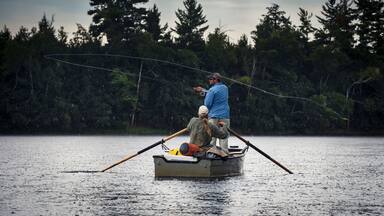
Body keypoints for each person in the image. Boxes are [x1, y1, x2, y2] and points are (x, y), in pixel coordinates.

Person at [193, 73, 230, 152]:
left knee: (211, 137)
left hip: (213, 116)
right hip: (225, 116)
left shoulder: (211, 90)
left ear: (216, 80)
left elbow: (207, 104)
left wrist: (205, 93)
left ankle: (212, 153)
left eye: (210, 79)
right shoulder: (225, 88)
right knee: (224, 136)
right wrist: (204, 90)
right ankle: (224, 153)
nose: (209, 80)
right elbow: (216, 92)